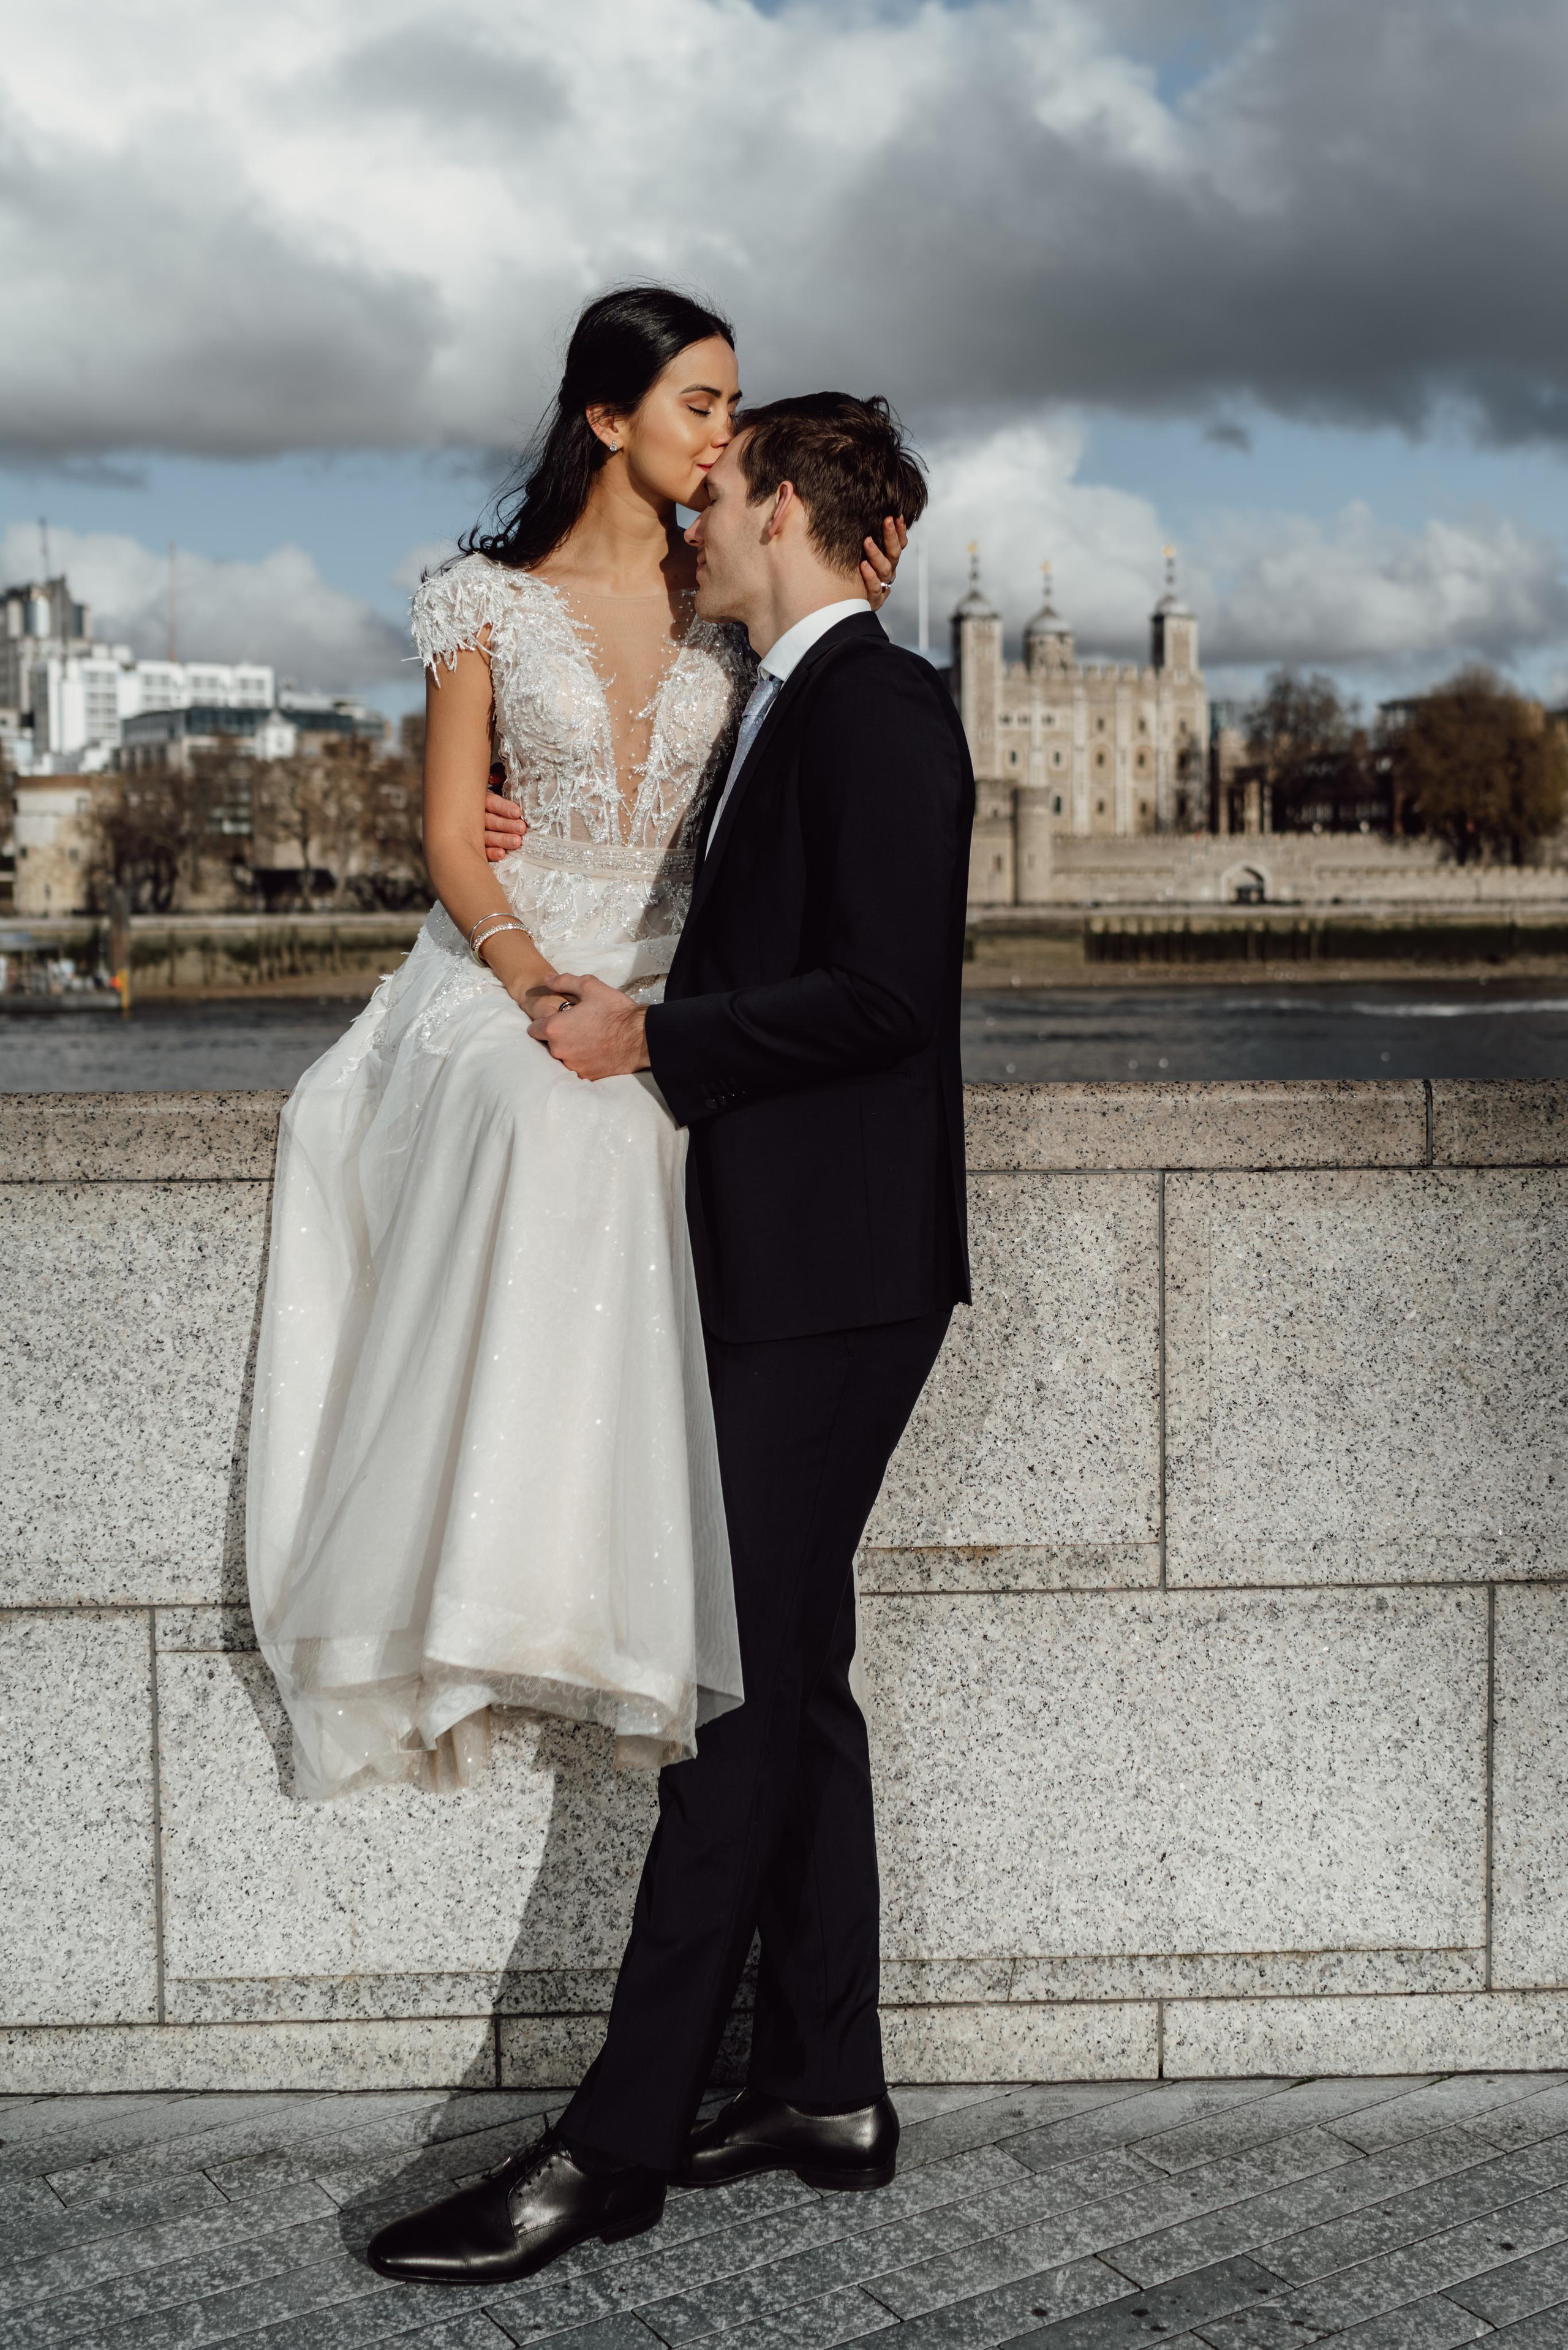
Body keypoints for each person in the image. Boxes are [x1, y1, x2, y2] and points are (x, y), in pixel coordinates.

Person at [368, 392, 974, 2286]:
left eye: (719, 495)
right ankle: (824, 2084)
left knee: (725, 1708)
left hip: (838, 1271)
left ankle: (612, 2146)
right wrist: (498, 829)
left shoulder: (880, 706)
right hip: (796, 1252)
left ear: (781, 504)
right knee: (791, 1675)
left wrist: (660, 1043)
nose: (690, 525)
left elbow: (886, 989)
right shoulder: (789, 699)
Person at [246, 287, 905, 1802]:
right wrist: (533, 976)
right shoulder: (479, 600)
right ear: (607, 419)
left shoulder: (731, 597)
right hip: (507, 951)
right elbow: (449, 836)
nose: (724, 434)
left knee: (656, 1125)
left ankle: (623, 1587)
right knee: (561, 1120)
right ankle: (500, 1584)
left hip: (676, 960)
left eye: (731, 408)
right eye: (698, 403)